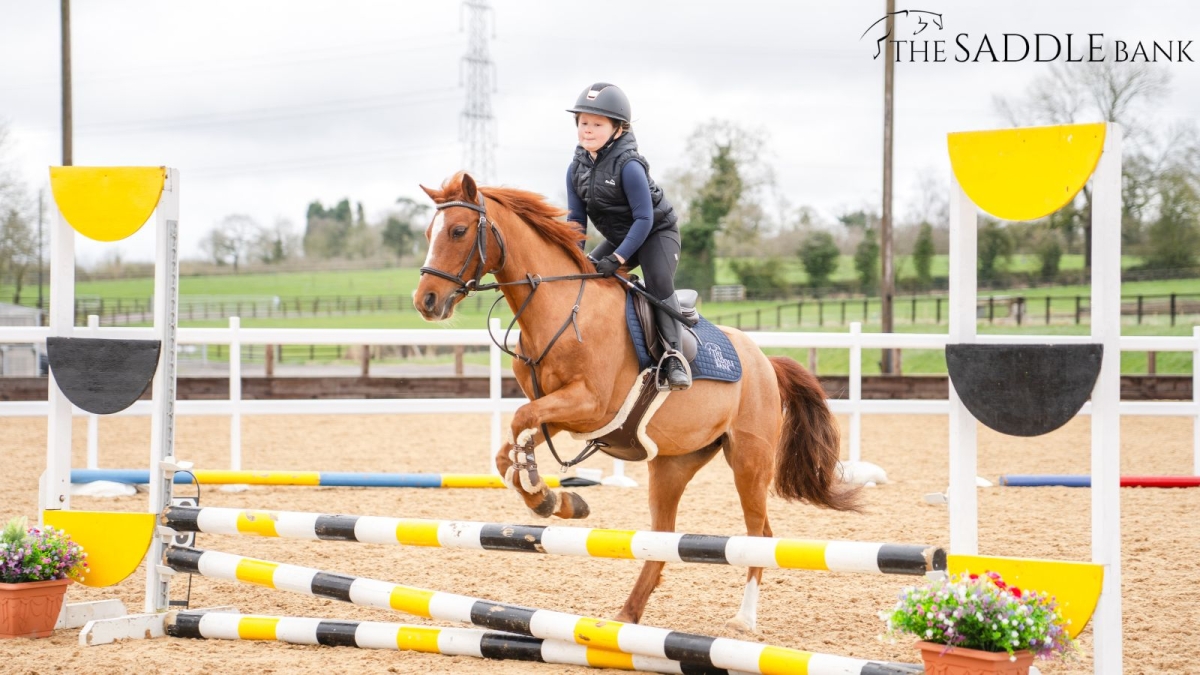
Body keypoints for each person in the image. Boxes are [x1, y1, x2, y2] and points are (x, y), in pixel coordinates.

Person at [565, 82, 690, 391]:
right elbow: (576, 220)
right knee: (586, 276)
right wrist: (573, 257)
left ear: (618, 129)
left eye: (597, 124)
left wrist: (618, 257)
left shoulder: (630, 165)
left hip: (656, 233)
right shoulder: (575, 168)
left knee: (657, 282)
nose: (587, 129)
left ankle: (674, 356)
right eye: (583, 122)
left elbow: (644, 219)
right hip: (622, 236)